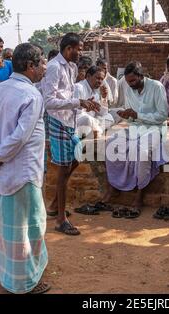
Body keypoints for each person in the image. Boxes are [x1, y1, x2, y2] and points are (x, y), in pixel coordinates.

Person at [0, 43, 50, 294]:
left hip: (3, 170)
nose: (44, 67)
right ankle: (25, 282)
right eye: (41, 62)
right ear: (30, 66)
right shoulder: (31, 95)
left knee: (8, 226)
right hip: (21, 172)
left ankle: (11, 275)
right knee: (28, 227)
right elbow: (20, 137)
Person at [42, 32, 100, 236]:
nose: (81, 52)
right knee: (64, 167)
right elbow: (48, 101)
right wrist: (78, 103)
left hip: (70, 120)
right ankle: (60, 219)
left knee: (76, 158)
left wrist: (85, 103)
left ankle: (54, 206)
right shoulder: (54, 67)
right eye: (79, 48)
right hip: (57, 120)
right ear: (69, 49)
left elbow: (69, 96)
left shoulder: (73, 67)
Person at [99, 61, 169, 218]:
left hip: (155, 129)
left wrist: (138, 115)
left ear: (141, 76)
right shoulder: (128, 87)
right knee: (111, 143)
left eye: (133, 81)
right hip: (135, 128)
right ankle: (113, 186)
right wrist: (128, 115)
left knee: (143, 151)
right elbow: (132, 117)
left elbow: (163, 115)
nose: (130, 85)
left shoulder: (157, 87)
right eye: (128, 81)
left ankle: (139, 194)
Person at [74, 66, 115, 137]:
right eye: (98, 78)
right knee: (87, 120)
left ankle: (96, 131)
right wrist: (86, 108)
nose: (100, 82)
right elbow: (76, 114)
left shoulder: (95, 92)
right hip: (80, 123)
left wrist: (104, 97)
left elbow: (103, 112)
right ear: (88, 76)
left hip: (93, 122)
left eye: (102, 79)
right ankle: (97, 131)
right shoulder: (78, 88)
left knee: (110, 116)